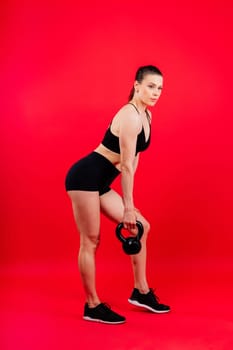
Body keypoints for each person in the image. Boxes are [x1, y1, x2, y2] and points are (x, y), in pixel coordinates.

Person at [65, 65, 170, 324]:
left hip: (101, 182)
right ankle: (92, 305)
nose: (156, 92)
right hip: (84, 177)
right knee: (91, 240)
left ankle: (141, 291)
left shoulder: (147, 116)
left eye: (160, 88)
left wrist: (131, 208)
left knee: (141, 227)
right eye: (150, 86)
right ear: (136, 85)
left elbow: (133, 161)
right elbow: (124, 166)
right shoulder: (130, 116)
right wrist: (128, 207)